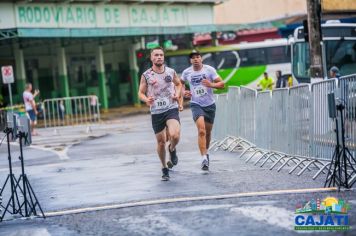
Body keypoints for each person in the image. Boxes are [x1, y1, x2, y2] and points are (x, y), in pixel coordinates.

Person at [138, 46, 182, 181]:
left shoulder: (171, 72)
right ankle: (164, 167)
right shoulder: (146, 75)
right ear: (151, 58)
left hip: (171, 107)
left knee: (174, 135)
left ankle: (173, 149)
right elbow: (140, 93)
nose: (159, 57)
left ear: (164, 57)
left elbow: (179, 84)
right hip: (156, 111)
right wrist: (147, 99)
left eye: (161, 55)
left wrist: (177, 94)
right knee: (161, 142)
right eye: (156, 55)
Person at [181, 50, 224, 171]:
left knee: (208, 133)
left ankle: (206, 151)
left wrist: (211, 85)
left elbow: (222, 84)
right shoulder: (186, 72)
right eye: (193, 58)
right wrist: (184, 92)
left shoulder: (209, 70)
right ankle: (203, 158)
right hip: (196, 104)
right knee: (201, 131)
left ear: (201, 59)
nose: (195, 59)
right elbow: (180, 84)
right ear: (190, 60)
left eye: (197, 57)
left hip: (210, 104)